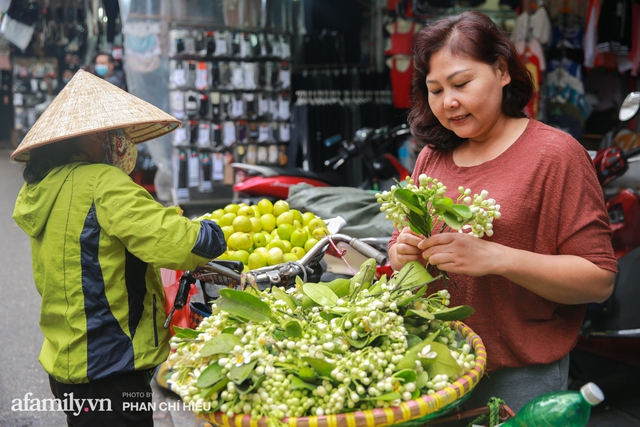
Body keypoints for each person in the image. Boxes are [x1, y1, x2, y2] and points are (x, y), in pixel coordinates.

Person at [388, 11, 617, 413]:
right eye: (435, 90)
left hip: (517, 377)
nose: (449, 101)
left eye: (461, 83)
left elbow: (597, 280)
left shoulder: (555, 155)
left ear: (502, 71)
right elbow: (400, 247)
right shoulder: (432, 156)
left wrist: (497, 258)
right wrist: (403, 254)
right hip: (431, 367)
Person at [11, 69, 226, 426]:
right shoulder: (101, 183)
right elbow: (174, 243)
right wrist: (212, 234)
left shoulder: (46, 188)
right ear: (93, 137)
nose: (122, 140)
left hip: (68, 360)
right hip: (110, 368)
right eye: (116, 133)